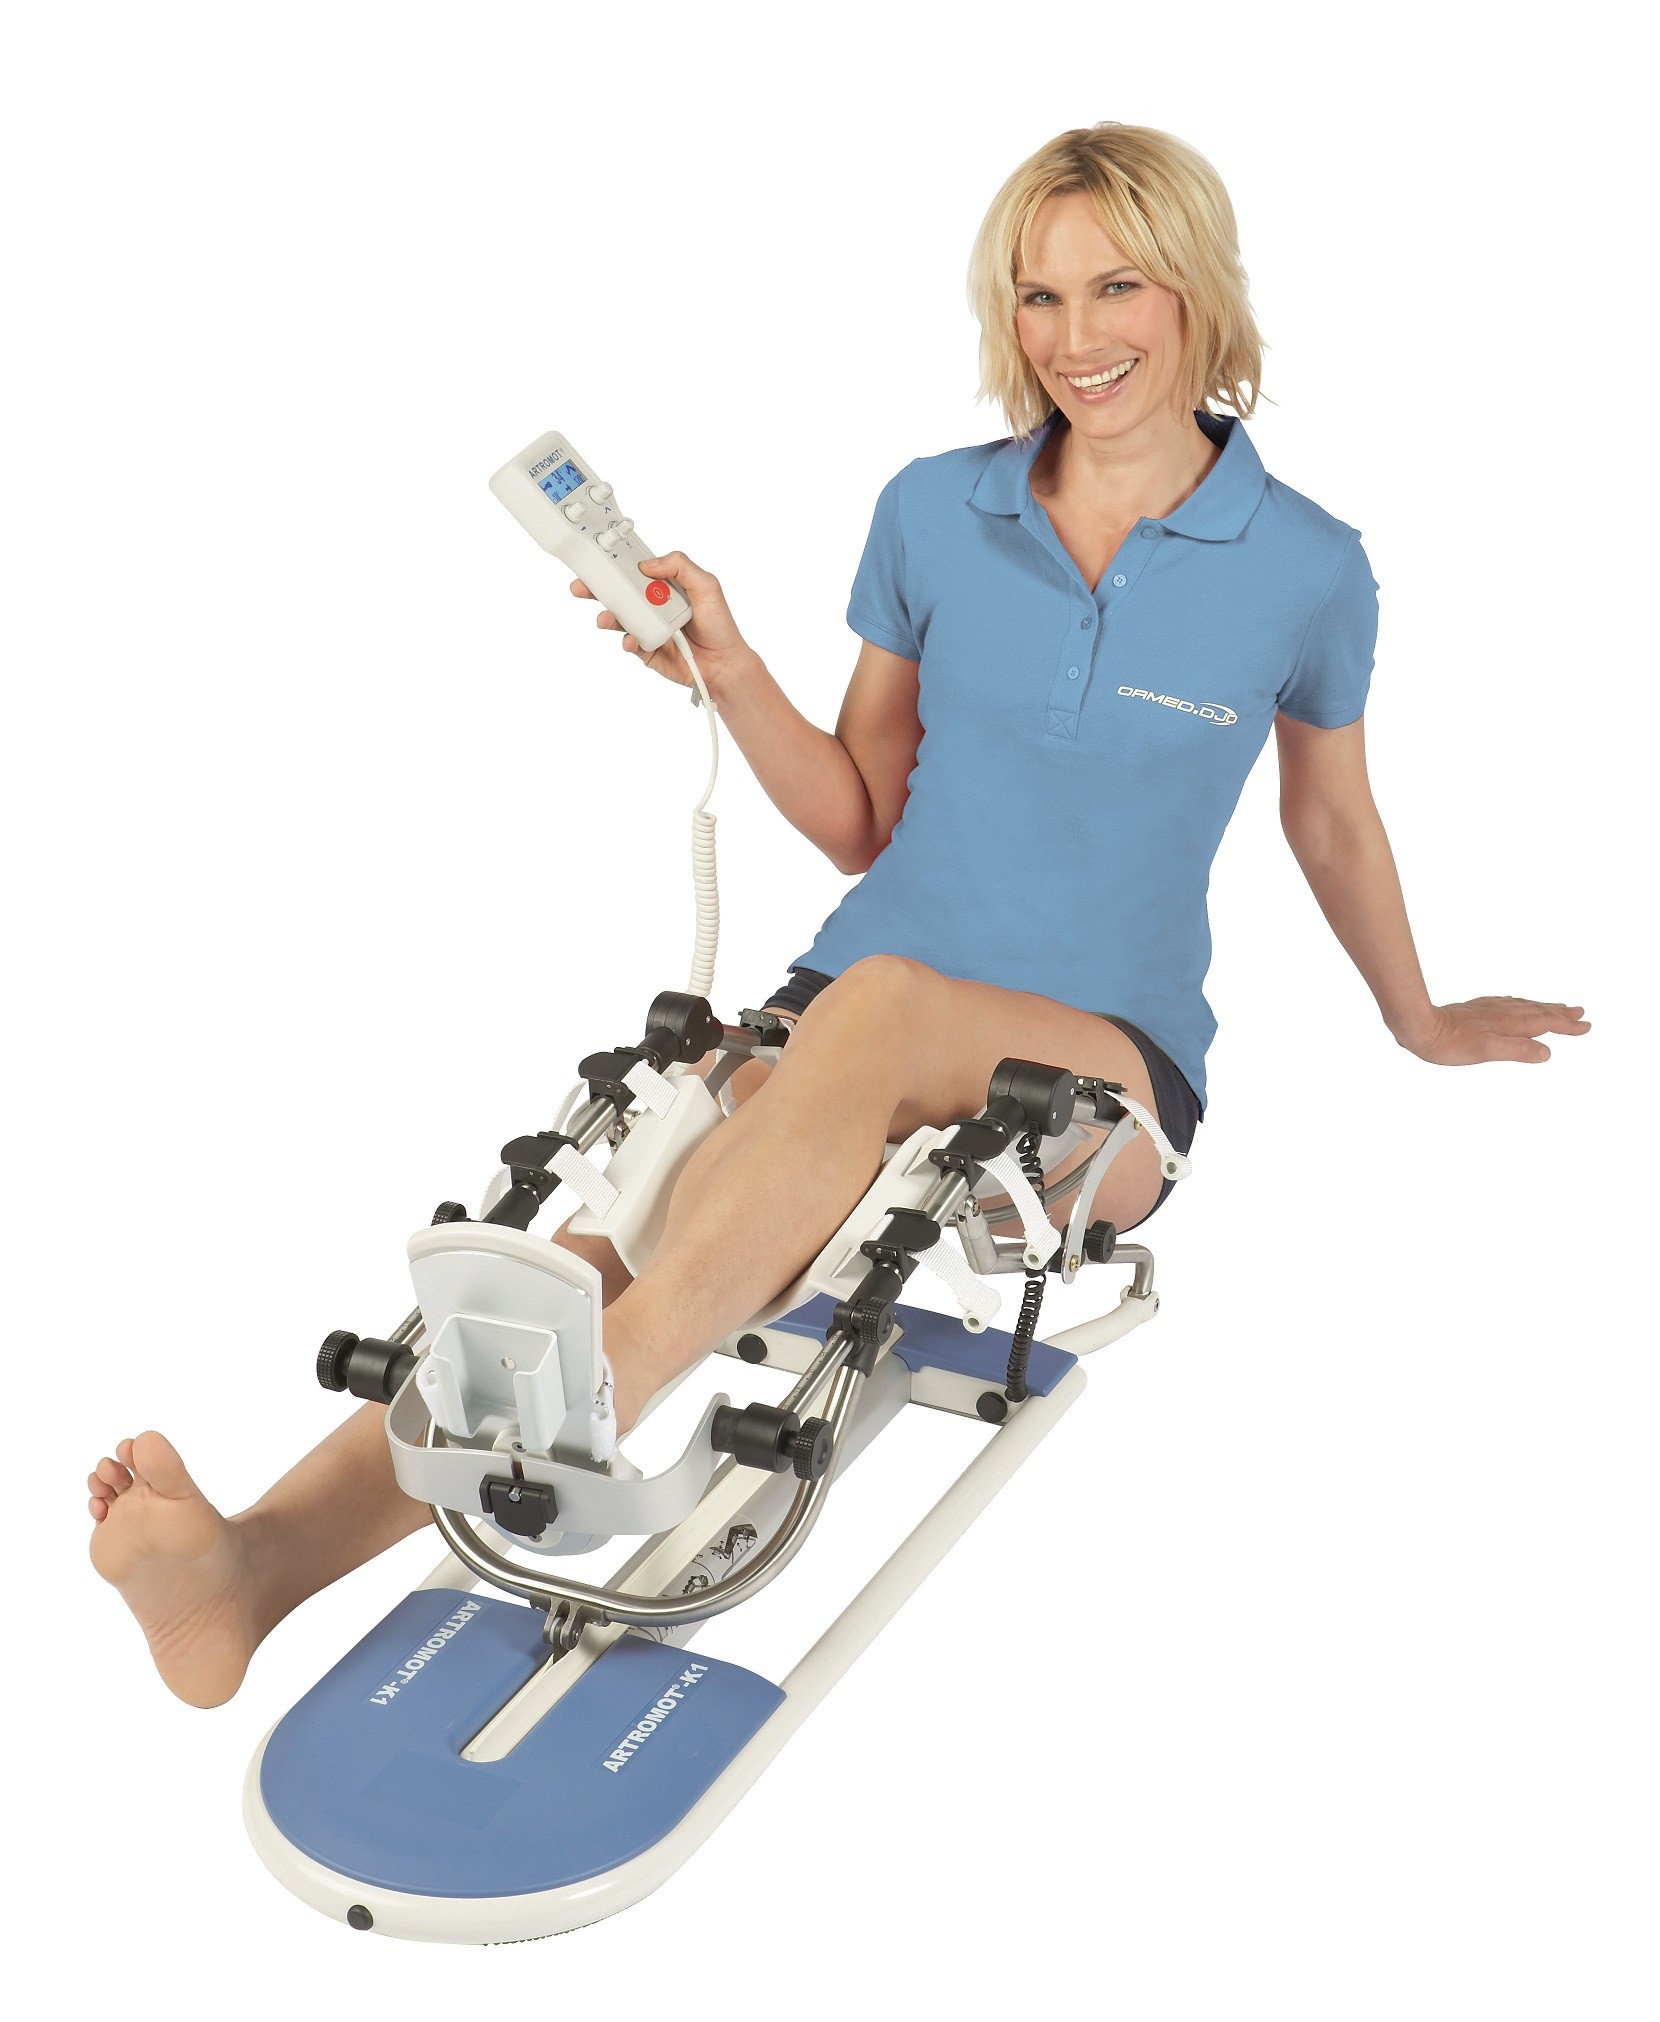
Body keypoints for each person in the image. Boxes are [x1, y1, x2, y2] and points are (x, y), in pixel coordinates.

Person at [86, 122, 1589, 1708]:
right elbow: (862, 815)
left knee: (867, 1016)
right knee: (635, 1204)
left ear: (1195, 290)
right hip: (848, 1007)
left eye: (1116, 288)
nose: (1074, 337)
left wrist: (1419, 1017)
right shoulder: (936, 512)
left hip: (1100, 1072)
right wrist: (726, 664)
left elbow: (1330, 816)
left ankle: (598, 1404)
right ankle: (247, 1569)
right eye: (1037, 297)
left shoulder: (1308, 566)